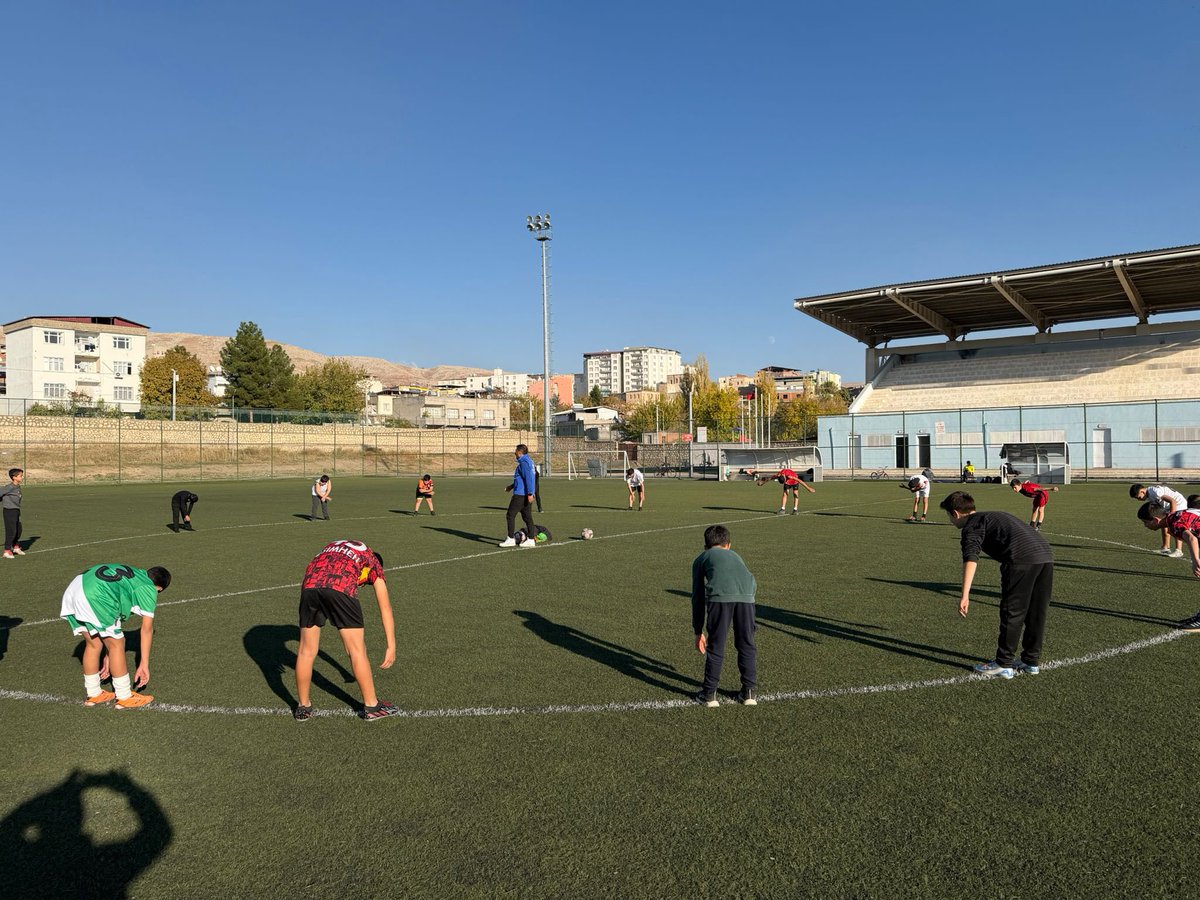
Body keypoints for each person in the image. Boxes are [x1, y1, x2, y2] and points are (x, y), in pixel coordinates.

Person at [941, 491, 1054, 678]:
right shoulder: (992, 515)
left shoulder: (972, 525)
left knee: (1012, 611)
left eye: (949, 517)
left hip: (1020, 560)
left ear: (955, 513)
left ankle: (1003, 664)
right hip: (1045, 557)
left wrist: (965, 595)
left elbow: (970, 558)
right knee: (1036, 612)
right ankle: (1030, 661)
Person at [295, 539, 399, 721]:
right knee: (357, 650)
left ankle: (303, 707)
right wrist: (391, 644)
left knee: (306, 651)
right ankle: (372, 706)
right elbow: (385, 607)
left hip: (310, 585)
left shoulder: (338, 546)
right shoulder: (373, 563)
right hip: (339, 585)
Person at [59, 563, 172, 708]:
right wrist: (144, 664)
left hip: (75, 588)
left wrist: (108, 656)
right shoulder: (149, 587)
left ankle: (94, 693)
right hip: (97, 594)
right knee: (118, 644)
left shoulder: (135, 574)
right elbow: (146, 629)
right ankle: (124, 696)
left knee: (94, 644)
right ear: (159, 588)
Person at [692, 524, 758, 706]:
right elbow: (748, 580)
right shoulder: (736, 555)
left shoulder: (702, 558)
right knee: (746, 644)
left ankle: (709, 695)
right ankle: (749, 693)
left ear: (706, 546)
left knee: (716, 646)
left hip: (720, 599)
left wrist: (698, 631)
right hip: (747, 598)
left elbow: (697, 597)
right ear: (728, 545)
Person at [1137, 502, 1200, 631]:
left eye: (1145, 522)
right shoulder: (1175, 515)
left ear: (1155, 520)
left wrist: (1195, 560)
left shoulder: (1174, 523)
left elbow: (1191, 539)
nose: (1145, 526)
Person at [1129, 483, 1186, 557]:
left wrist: (1171, 517)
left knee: (1174, 526)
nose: (1138, 499)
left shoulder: (1154, 492)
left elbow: (1173, 501)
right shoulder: (1150, 494)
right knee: (1163, 525)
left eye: (1138, 497)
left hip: (1178, 505)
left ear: (1142, 491)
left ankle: (1179, 550)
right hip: (1168, 507)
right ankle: (1165, 548)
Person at [500, 444, 537, 548]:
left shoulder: (524, 462)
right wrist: (511, 487)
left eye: (516, 452)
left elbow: (529, 478)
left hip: (521, 495)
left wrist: (530, 493)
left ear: (520, 453)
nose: (514, 453)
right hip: (524, 494)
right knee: (527, 518)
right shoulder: (527, 461)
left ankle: (510, 539)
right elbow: (521, 478)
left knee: (510, 515)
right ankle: (530, 539)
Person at [1, 468, 24, 559]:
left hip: (16, 510)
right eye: (20, 476)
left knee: (18, 530)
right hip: (9, 511)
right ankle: (7, 551)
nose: (22, 477)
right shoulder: (9, 487)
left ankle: (15, 547)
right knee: (11, 531)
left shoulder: (17, 486)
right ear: (14, 477)